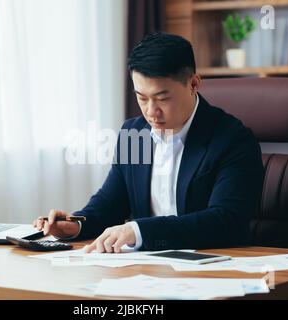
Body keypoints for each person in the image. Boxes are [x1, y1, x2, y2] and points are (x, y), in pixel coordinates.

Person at [33, 32, 264, 253]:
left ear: (193, 84)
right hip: (145, 268)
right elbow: (110, 202)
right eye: (141, 98)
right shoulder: (135, 133)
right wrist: (76, 225)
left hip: (212, 268)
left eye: (162, 99)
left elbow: (225, 221)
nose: (151, 112)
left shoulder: (232, 139)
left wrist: (139, 230)